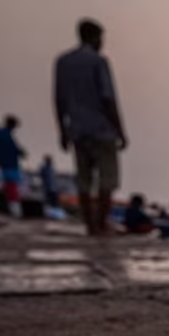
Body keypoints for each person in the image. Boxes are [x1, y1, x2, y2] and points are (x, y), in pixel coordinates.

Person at [54, 18, 128, 235]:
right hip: (102, 129)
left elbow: (59, 99)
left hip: (77, 128)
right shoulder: (98, 62)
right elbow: (108, 99)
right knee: (107, 179)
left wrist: (62, 130)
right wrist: (120, 130)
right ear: (95, 37)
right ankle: (102, 224)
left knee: (84, 179)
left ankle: (90, 225)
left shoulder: (63, 62)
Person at [0, 115, 27, 217]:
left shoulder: (2, 134)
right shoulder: (4, 135)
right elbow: (11, 149)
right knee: (11, 187)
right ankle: (13, 209)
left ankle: (11, 207)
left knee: (9, 187)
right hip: (8, 164)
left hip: (5, 164)